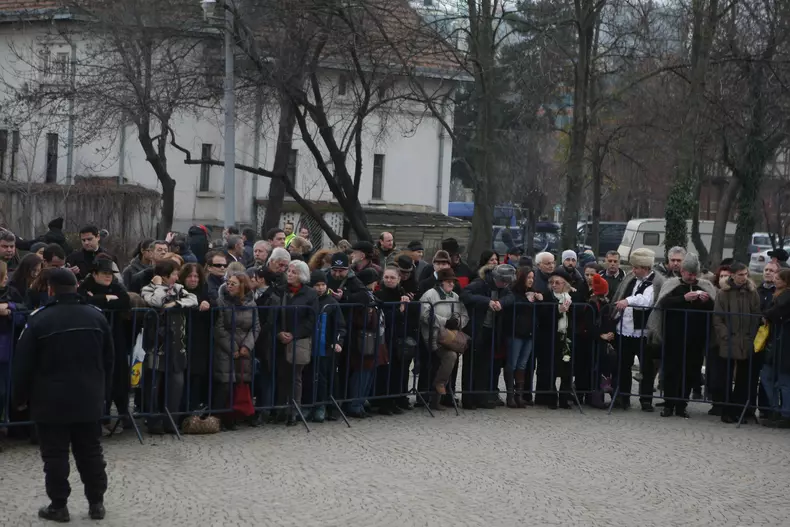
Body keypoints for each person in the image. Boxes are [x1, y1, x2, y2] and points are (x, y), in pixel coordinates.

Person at [12, 268, 113, 522]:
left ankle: (59, 505)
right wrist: (103, 390)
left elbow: (23, 364)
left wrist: (19, 398)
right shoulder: (96, 317)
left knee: (55, 454)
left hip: (50, 399)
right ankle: (96, 503)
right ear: (77, 286)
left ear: (50, 289)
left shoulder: (38, 320)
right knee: (90, 451)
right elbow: (110, 359)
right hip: (89, 396)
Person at [653, 253, 716, 418]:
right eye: (689, 273)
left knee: (690, 371)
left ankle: (682, 405)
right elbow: (663, 303)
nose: (691, 276)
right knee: (672, 371)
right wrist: (684, 298)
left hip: (696, 338)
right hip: (674, 336)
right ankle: (669, 404)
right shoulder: (672, 284)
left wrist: (706, 301)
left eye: (694, 273)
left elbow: (714, 308)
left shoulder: (705, 285)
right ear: (682, 271)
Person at [140, 260, 198, 434]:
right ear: (164, 276)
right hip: (156, 345)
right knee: (154, 385)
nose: (176, 277)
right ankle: (153, 421)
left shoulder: (179, 289)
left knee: (176, 383)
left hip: (177, 344)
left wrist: (176, 304)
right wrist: (159, 287)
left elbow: (193, 299)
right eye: (173, 274)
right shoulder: (148, 288)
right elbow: (156, 302)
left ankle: (171, 421)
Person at [78, 259, 131, 430]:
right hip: (94, 338)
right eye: (104, 274)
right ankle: (100, 416)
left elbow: (124, 301)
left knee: (119, 374)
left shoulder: (116, 287)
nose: (108, 277)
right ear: (94, 274)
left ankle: (123, 413)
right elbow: (85, 301)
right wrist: (106, 298)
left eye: (110, 274)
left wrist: (100, 299)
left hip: (116, 336)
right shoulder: (85, 287)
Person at [712, 262, 761, 424]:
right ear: (732, 275)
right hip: (729, 339)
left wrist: (752, 335)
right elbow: (718, 317)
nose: (743, 277)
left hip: (746, 340)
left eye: (745, 274)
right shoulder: (723, 293)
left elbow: (756, 315)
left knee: (743, 378)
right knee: (725, 376)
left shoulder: (752, 292)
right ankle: (726, 410)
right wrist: (725, 335)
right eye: (740, 274)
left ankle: (739, 410)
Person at [461, 264, 515, 409]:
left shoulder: (503, 288)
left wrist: (500, 303)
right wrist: (487, 302)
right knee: (471, 365)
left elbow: (510, 297)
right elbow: (465, 294)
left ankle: (481, 398)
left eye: (506, 283)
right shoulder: (479, 283)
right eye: (503, 282)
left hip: (492, 331)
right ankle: (468, 398)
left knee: (486, 366)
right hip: (476, 329)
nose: (504, 285)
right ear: (496, 278)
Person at [610, 248, 657, 411]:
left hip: (643, 331)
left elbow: (647, 301)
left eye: (636, 267)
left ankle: (646, 399)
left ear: (645, 267)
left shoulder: (655, 282)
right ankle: (623, 397)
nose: (633, 270)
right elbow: (619, 294)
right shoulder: (630, 279)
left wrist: (628, 301)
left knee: (646, 368)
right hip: (624, 329)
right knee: (623, 365)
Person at [213, 272, 259, 430]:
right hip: (226, 349)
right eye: (228, 282)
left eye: (233, 283)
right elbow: (219, 328)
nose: (229, 285)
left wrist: (247, 346)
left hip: (245, 349)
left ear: (242, 286)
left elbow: (255, 327)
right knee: (226, 384)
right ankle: (219, 418)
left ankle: (234, 417)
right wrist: (233, 348)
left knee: (241, 382)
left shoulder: (251, 304)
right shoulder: (221, 302)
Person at [273, 261, 318, 425]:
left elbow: (311, 320)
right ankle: (280, 409)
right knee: (282, 375)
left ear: (302, 275)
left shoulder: (310, 294)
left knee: (295, 377)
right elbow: (274, 315)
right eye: (289, 271)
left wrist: (294, 334)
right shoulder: (281, 291)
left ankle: (294, 410)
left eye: (294, 272)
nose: (290, 274)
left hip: (299, 340)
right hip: (281, 338)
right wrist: (279, 333)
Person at [419, 268, 469, 411]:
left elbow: (464, 315)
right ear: (441, 283)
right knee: (450, 356)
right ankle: (439, 386)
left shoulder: (455, 296)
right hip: (434, 337)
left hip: (450, 337)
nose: (452, 284)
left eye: (453, 282)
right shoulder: (430, 295)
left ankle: (438, 393)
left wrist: (458, 323)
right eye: (449, 282)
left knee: (457, 352)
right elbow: (424, 315)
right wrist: (445, 322)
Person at [305, 270, 346, 423]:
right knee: (309, 377)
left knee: (324, 378)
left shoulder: (332, 303)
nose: (320, 288)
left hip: (325, 347)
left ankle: (322, 405)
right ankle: (309, 404)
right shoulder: (309, 301)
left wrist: (338, 341)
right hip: (309, 347)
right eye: (317, 285)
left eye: (323, 285)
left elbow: (340, 326)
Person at [374, 266, 413, 415]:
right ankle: (384, 402)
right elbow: (384, 317)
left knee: (398, 370)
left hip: (399, 336)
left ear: (398, 279)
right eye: (386, 277)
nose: (389, 280)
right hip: (386, 336)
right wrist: (399, 310)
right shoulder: (380, 294)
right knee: (386, 371)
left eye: (392, 278)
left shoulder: (402, 293)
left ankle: (394, 400)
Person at [503, 267, 541, 408]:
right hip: (516, 332)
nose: (531, 280)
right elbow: (511, 309)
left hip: (529, 333)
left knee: (522, 364)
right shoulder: (513, 292)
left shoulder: (534, 293)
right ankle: (510, 395)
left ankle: (519, 395)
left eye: (532, 277)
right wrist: (527, 301)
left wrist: (538, 300)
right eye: (528, 277)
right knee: (512, 363)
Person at [179, 263, 212, 412]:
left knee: (197, 376)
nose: (193, 279)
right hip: (181, 340)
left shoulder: (204, 294)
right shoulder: (178, 292)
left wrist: (209, 305)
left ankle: (192, 410)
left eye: (196, 276)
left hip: (199, 342)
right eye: (190, 276)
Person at [760, 269, 790, 427]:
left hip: (783, 343)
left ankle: (784, 413)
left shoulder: (786, 295)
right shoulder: (776, 294)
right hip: (775, 342)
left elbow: (777, 311)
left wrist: (766, 314)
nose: (775, 280)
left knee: (784, 380)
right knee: (767, 376)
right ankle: (776, 410)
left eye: (779, 278)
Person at [532, 251, 556, 407]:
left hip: (550, 326)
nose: (551, 265)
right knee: (532, 363)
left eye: (553, 262)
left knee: (547, 362)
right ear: (539, 264)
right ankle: (529, 394)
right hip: (537, 324)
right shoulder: (535, 279)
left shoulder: (555, 277)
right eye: (547, 263)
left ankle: (545, 394)